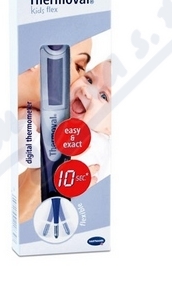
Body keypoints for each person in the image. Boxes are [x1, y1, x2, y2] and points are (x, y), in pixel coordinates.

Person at [18, 59, 111, 223]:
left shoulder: (95, 145)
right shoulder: (63, 123)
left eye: (104, 96)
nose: (86, 91)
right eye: (89, 79)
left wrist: (27, 118)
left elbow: (31, 155)